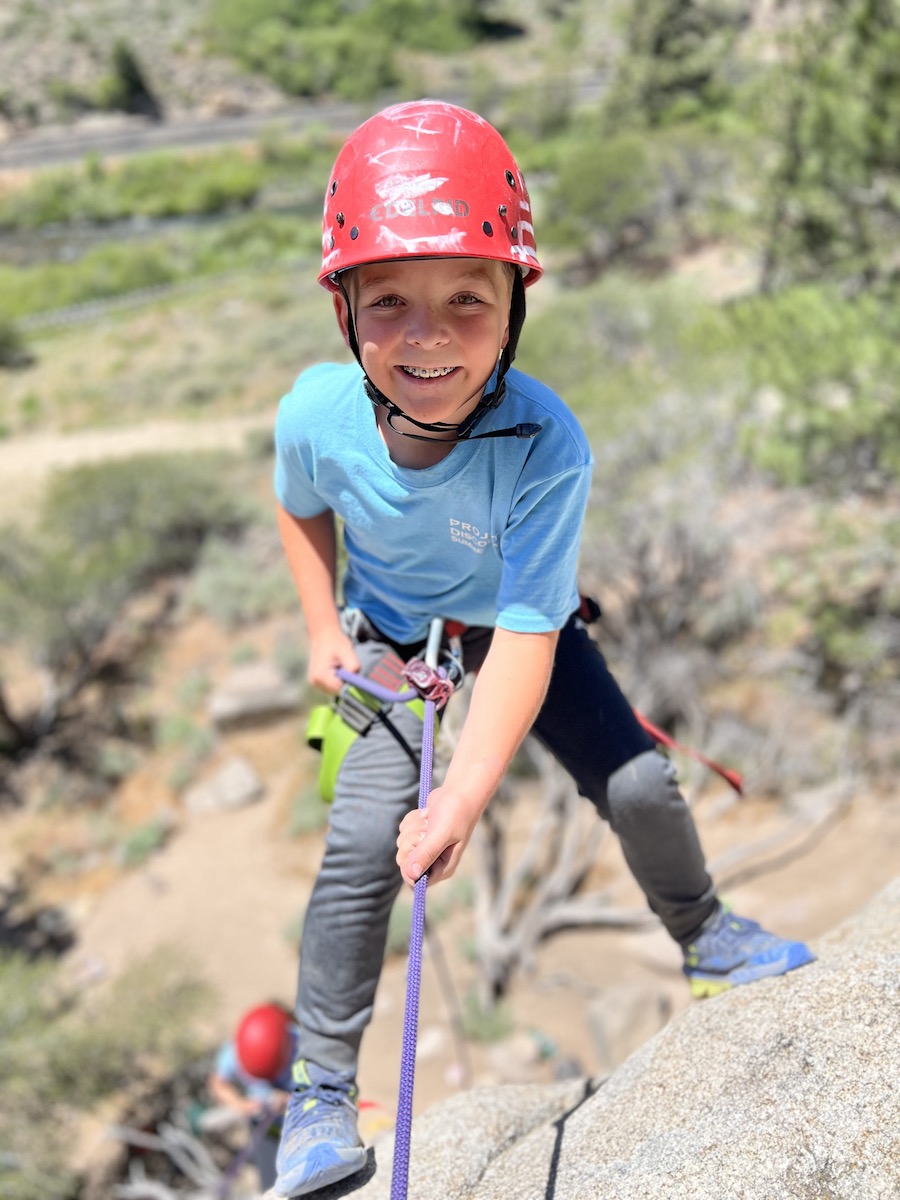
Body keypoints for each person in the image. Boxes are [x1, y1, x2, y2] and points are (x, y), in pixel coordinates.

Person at [271, 99, 815, 1197]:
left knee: (639, 783)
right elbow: (299, 505)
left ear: (515, 305)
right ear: (344, 309)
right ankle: (319, 1093)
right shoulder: (317, 416)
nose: (428, 334)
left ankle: (706, 936)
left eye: (467, 300)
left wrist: (465, 795)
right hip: (395, 641)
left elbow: (526, 633)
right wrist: (323, 625)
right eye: (390, 301)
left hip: (517, 626)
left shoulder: (544, 444)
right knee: (363, 844)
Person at [207, 1004, 298, 1191]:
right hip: (267, 1129)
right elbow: (217, 1083)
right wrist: (241, 1104)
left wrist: (292, 1099)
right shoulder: (236, 1051)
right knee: (271, 1187)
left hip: (302, 1124)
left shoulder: (301, 1044)